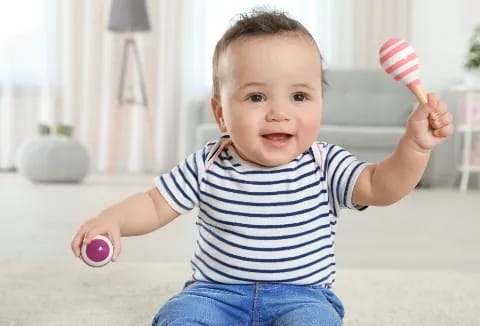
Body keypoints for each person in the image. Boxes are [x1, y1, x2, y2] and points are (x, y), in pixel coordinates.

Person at [71, 9, 453, 326]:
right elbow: (155, 204)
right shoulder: (209, 162)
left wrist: (414, 146)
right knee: (179, 317)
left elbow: (381, 186)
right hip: (214, 294)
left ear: (321, 103)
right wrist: (114, 219)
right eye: (256, 96)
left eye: (299, 96)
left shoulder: (324, 163)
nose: (279, 113)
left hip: (303, 297)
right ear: (221, 113)